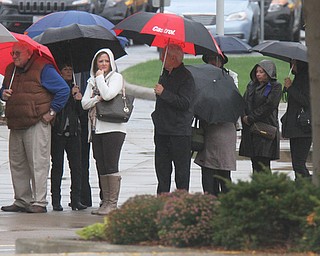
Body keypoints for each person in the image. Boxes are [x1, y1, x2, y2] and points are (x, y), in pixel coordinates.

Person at [0, 41, 69, 213]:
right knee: (17, 163)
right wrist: (3, 93)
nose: (14, 57)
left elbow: (63, 90)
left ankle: (39, 201)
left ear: (29, 53)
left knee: (38, 162)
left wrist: (51, 113)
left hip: (37, 121)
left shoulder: (43, 68)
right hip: (17, 122)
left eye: (17, 54)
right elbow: (3, 89)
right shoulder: (11, 70)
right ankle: (22, 199)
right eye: (12, 54)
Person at [81, 48, 125, 215]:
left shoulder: (116, 78)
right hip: (96, 128)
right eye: (100, 61)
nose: (104, 64)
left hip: (113, 128)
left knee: (111, 165)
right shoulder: (91, 80)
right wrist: (95, 98)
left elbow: (107, 95)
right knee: (101, 165)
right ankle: (105, 201)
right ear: (95, 64)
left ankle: (112, 203)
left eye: (107, 61)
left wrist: (100, 79)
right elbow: (84, 103)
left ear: (111, 62)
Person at [151, 43, 195, 194]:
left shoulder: (186, 77)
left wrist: (164, 93)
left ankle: (181, 205)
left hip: (179, 133)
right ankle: (161, 203)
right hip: (162, 131)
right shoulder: (164, 74)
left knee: (181, 173)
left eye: (164, 55)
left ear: (174, 58)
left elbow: (184, 103)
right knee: (162, 171)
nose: (160, 58)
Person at [194, 53, 237, 196]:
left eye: (216, 59)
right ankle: (211, 199)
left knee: (222, 171)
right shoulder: (202, 80)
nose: (213, 62)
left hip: (223, 130)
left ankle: (222, 200)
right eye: (210, 59)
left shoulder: (229, 79)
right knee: (208, 170)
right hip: (208, 130)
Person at [50, 63, 87, 211]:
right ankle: (56, 200)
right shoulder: (57, 88)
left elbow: (80, 113)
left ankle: (76, 199)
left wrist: (78, 99)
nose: (69, 72)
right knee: (57, 166)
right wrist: (68, 95)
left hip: (74, 132)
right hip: (58, 132)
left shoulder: (75, 87)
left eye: (71, 70)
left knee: (76, 167)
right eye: (65, 69)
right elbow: (57, 107)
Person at [239, 60, 282, 173]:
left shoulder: (275, 86)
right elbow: (244, 102)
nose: (258, 74)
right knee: (255, 162)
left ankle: (267, 189)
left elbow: (269, 106)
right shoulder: (251, 85)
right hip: (251, 129)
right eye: (257, 71)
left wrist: (251, 117)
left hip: (265, 128)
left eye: (262, 72)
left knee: (263, 163)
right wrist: (244, 116)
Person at [281, 60, 312, 180]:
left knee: (299, 163)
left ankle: (308, 184)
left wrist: (290, 88)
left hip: (303, 128)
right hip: (295, 128)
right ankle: (301, 186)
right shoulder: (298, 79)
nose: (292, 65)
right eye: (291, 62)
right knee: (296, 164)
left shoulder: (307, 79)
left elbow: (306, 101)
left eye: (294, 62)